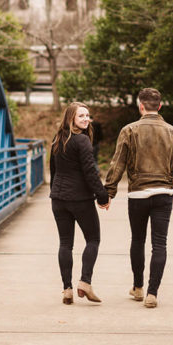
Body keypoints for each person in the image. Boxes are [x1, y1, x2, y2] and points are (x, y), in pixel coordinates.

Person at [104, 87, 173, 308]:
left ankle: (138, 287)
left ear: (141, 106)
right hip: (163, 193)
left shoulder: (129, 130)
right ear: (159, 106)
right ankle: (153, 293)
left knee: (138, 240)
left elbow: (118, 163)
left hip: (138, 194)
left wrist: (109, 191)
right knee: (160, 243)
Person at [49, 102, 110, 304]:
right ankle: (85, 282)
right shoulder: (82, 141)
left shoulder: (57, 139)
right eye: (81, 116)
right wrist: (102, 196)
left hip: (58, 199)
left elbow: (53, 170)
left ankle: (67, 289)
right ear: (71, 118)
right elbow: (90, 172)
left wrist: (55, 192)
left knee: (65, 243)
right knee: (93, 239)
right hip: (80, 199)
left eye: (87, 115)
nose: (86, 119)